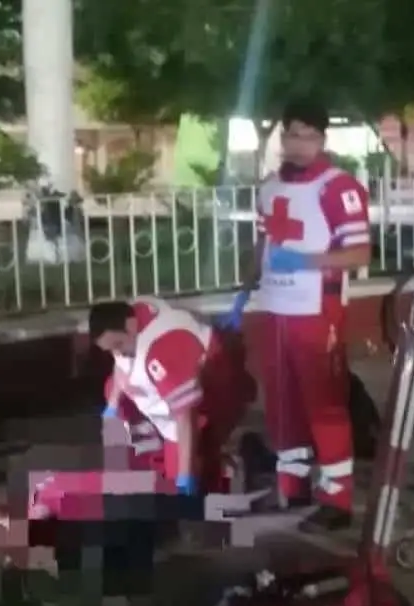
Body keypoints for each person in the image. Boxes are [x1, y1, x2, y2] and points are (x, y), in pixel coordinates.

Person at [223, 99, 372, 531]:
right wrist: (244, 293)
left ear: (322, 139)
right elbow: (263, 245)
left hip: (316, 310)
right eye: (293, 134)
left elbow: (360, 254)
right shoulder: (269, 187)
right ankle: (292, 486)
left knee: (324, 405)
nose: (300, 144)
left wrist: (306, 262)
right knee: (282, 402)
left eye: (310, 136)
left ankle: (337, 498)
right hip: (274, 308)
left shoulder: (338, 187)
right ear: (282, 137)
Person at [90, 295, 256, 495]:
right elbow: (121, 363)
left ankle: (224, 466)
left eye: (118, 345)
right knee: (112, 388)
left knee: (186, 484)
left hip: (214, 395)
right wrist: (112, 407)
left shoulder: (164, 349)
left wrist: (185, 475)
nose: (118, 352)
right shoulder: (131, 319)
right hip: (173, 394)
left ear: (130, 326)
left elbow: (186, 417)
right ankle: (161, 457)